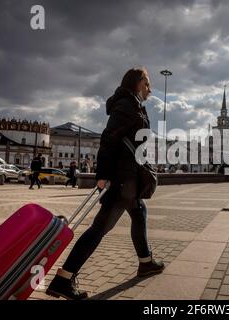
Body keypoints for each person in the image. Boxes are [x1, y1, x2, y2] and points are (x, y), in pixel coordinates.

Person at [46, 67, 164, 300]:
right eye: (148, 83)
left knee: (139, 212)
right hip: (121, 180)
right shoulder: (126, 106)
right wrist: (102, 175)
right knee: (100, 228)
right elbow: (108, 139)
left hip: (127, 178)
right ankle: (63, 279)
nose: (150, 89)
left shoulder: (133, 105)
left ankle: (146, 262)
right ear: (139, 82)